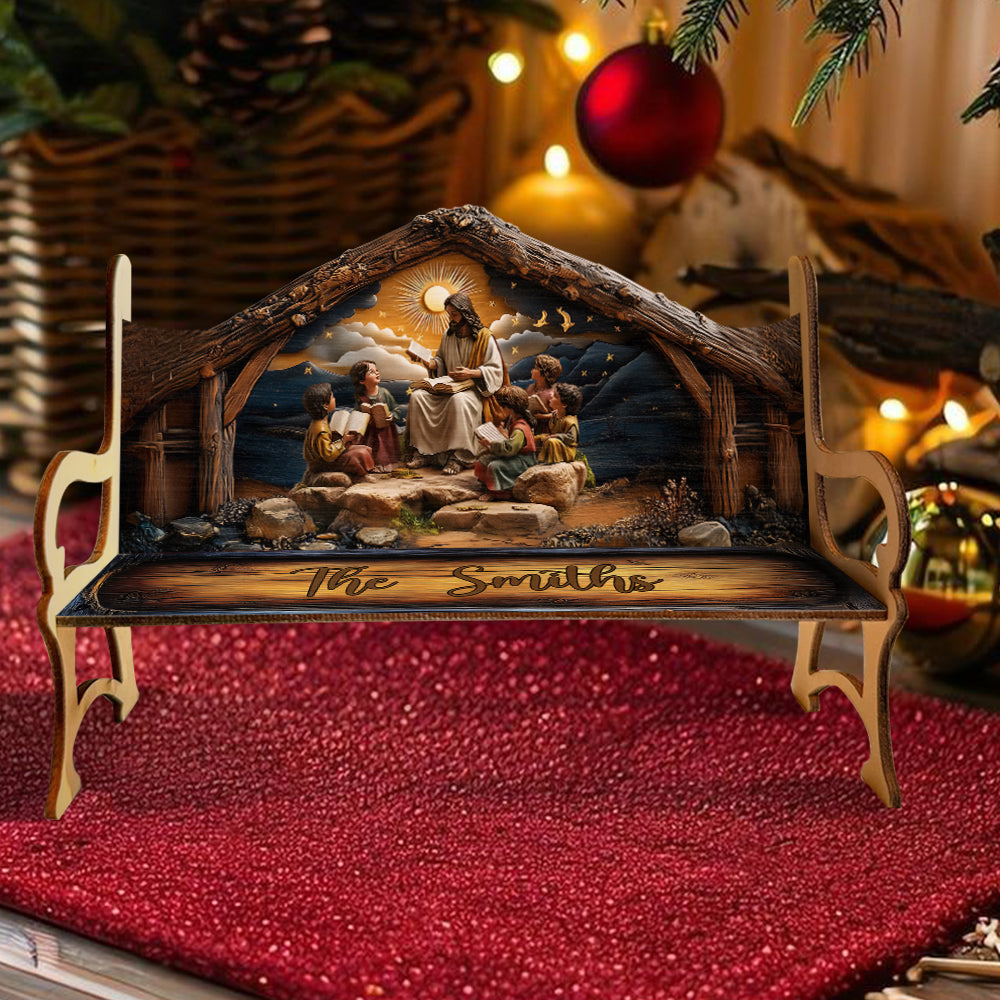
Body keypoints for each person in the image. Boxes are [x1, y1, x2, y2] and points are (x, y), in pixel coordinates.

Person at [405, 292, 506, 476]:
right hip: (449, 386)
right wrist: (427, 362)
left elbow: (495, 369)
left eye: (455, 314)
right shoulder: (448, 335)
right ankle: (425, 453)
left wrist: (471, 373)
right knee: (418, 397)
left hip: (473, 390)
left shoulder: (484, 337)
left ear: (466, 313)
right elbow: (440, 361)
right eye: (449, 314)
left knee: (458, 401)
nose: (451, 318)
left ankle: (459, 457)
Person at [300, 382, 374, 484]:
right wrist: (343, 441)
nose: (334, 399)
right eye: (332, 398)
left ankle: (362, 473)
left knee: (364, 448)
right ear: (325, 405)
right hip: (323, 464)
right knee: (359, 454)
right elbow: (328, 455)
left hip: (327, 458)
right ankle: (359, 476)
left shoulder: (320, 421)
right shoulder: (320, 429)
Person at [473, 384, 537, 499]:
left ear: (511, 408)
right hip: (515, 455)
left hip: (523, 461)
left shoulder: (520, 428)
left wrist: (490, 444)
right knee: (483, 460)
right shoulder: (512, 420)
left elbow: (510, 449)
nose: (501, 409)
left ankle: (499, 493)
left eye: (503, 407)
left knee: (494, 466)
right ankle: (487, 486)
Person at [349, 359, 401, 472]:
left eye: (376, 370)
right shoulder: (360, 397)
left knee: (384, 448)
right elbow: (356, 414)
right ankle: (372, 464)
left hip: (385, 429)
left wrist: (392, 416)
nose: (377, 373)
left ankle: (386, 464)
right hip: (370, 430)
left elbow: (396, 409)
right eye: (371, 372)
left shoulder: (384, 393)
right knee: (371, 447)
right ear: (362, 380)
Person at [536, 382, 582, 464]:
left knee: (552, 442)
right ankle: (537, 460)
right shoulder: (556, 415)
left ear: (564, 405)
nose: (551, 397)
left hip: (566, 450)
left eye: (555, 396)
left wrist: (557, 436)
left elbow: (572, 438)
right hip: (558, 443)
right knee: (539, 438)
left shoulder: (569, 421)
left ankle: (552, 462)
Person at [526, 353, 562, 429]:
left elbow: (559, 414)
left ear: (544, 373)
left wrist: (542, 416)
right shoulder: (530, 388)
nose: (532, 371)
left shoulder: (552, 393)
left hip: (546, 429)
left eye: (535, 368)